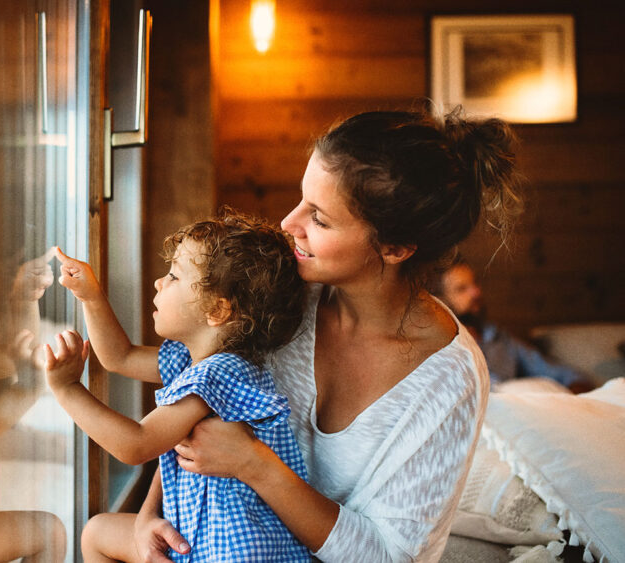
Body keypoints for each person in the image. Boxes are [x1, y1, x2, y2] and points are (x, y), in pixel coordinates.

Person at [130, 108, 525, 562]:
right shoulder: (280, 296)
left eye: (318, 218)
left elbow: (390, 556)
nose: (287, 223)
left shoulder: (450, 380)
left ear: (395, 248)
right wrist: (149, 517)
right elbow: (199, 391)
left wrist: (257, 466)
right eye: (302, 199)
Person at [15, 212, 311, 562]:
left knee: (97, 533)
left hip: (227, 552)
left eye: (173, 276)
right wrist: (91, 297)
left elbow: (135, 445)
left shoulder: (219, 374)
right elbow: (119, 357)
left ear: (216, 310)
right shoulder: (198, 361)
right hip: (200, 533)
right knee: (98, 532)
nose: (158, 282)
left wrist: (67, 389)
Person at [435, 258, 593, 393]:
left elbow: (561, 373)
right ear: (440, 299)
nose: (476, 292)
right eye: (462, 289)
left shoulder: (497, 337)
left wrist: (575, 395)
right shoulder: (438, 347)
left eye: (475, 283)